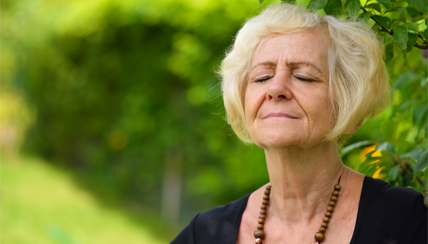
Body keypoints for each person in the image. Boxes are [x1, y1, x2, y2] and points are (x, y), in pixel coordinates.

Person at [171, 3, 427, 244]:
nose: (275, 89)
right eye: (262, 77)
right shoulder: (205, 233)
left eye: (303, 77)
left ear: (348, 104)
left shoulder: (405, 220)